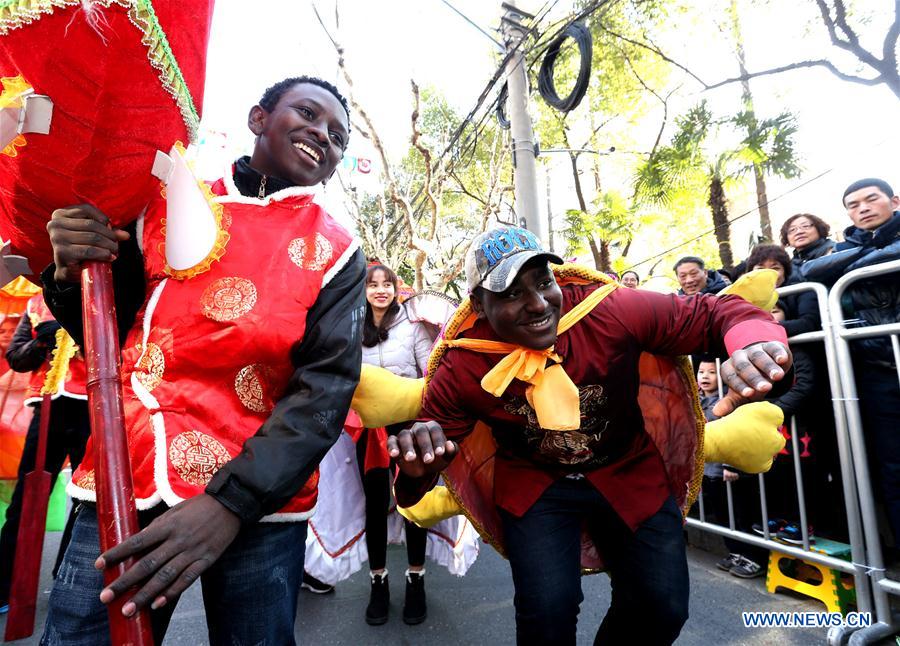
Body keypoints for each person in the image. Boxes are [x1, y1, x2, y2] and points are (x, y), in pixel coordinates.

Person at [38, 76, 365, 645]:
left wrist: (230, 506)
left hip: (260, 504)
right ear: (258, 118)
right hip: (132, 472)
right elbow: (106, 338)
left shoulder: (339, 251)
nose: (322, 134)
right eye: (308, 114)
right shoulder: (159, 202)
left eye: (337, 137)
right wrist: (69, 271)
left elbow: (324, 393)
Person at [387, 224, 792, 645]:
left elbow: (710, 313)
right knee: (546, 614)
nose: (537, 303)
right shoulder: (461, 364)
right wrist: (419, 469)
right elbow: (423, 463)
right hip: (534, 485)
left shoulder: (609, 310)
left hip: (628, 468)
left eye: (544, 282)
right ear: (480, 305)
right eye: (511, 294)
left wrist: (753, 342)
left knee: (662, 606)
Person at [801, 177, 900, 543]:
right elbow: (809, 272)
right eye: (853, 205)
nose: (863, 208)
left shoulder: (846, 254)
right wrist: (870, 250)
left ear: (894, 200)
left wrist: (859, 258)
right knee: (892, 467)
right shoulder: (846, 247)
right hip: (875, 372)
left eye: (870, 200)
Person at [0, 293, 89, 613]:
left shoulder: (104, 289)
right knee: (26, 501)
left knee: (86, 501)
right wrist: (40, 343)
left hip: (91, 410)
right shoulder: (35, 304)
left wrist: (76, 330)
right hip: (47, 410)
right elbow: (16, 357)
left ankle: (69, 578)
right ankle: (6, 587)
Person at [695, 358, 768, 578]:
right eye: (701, 372)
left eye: (712, 372)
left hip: (726, 470)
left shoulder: (729, 402)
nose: (705, 377)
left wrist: (730, 464)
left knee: (740, 514)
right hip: (708, 470)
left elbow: (735, 435)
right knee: (721, 515)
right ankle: (735, 552)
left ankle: (753, 557)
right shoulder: (696, 400)